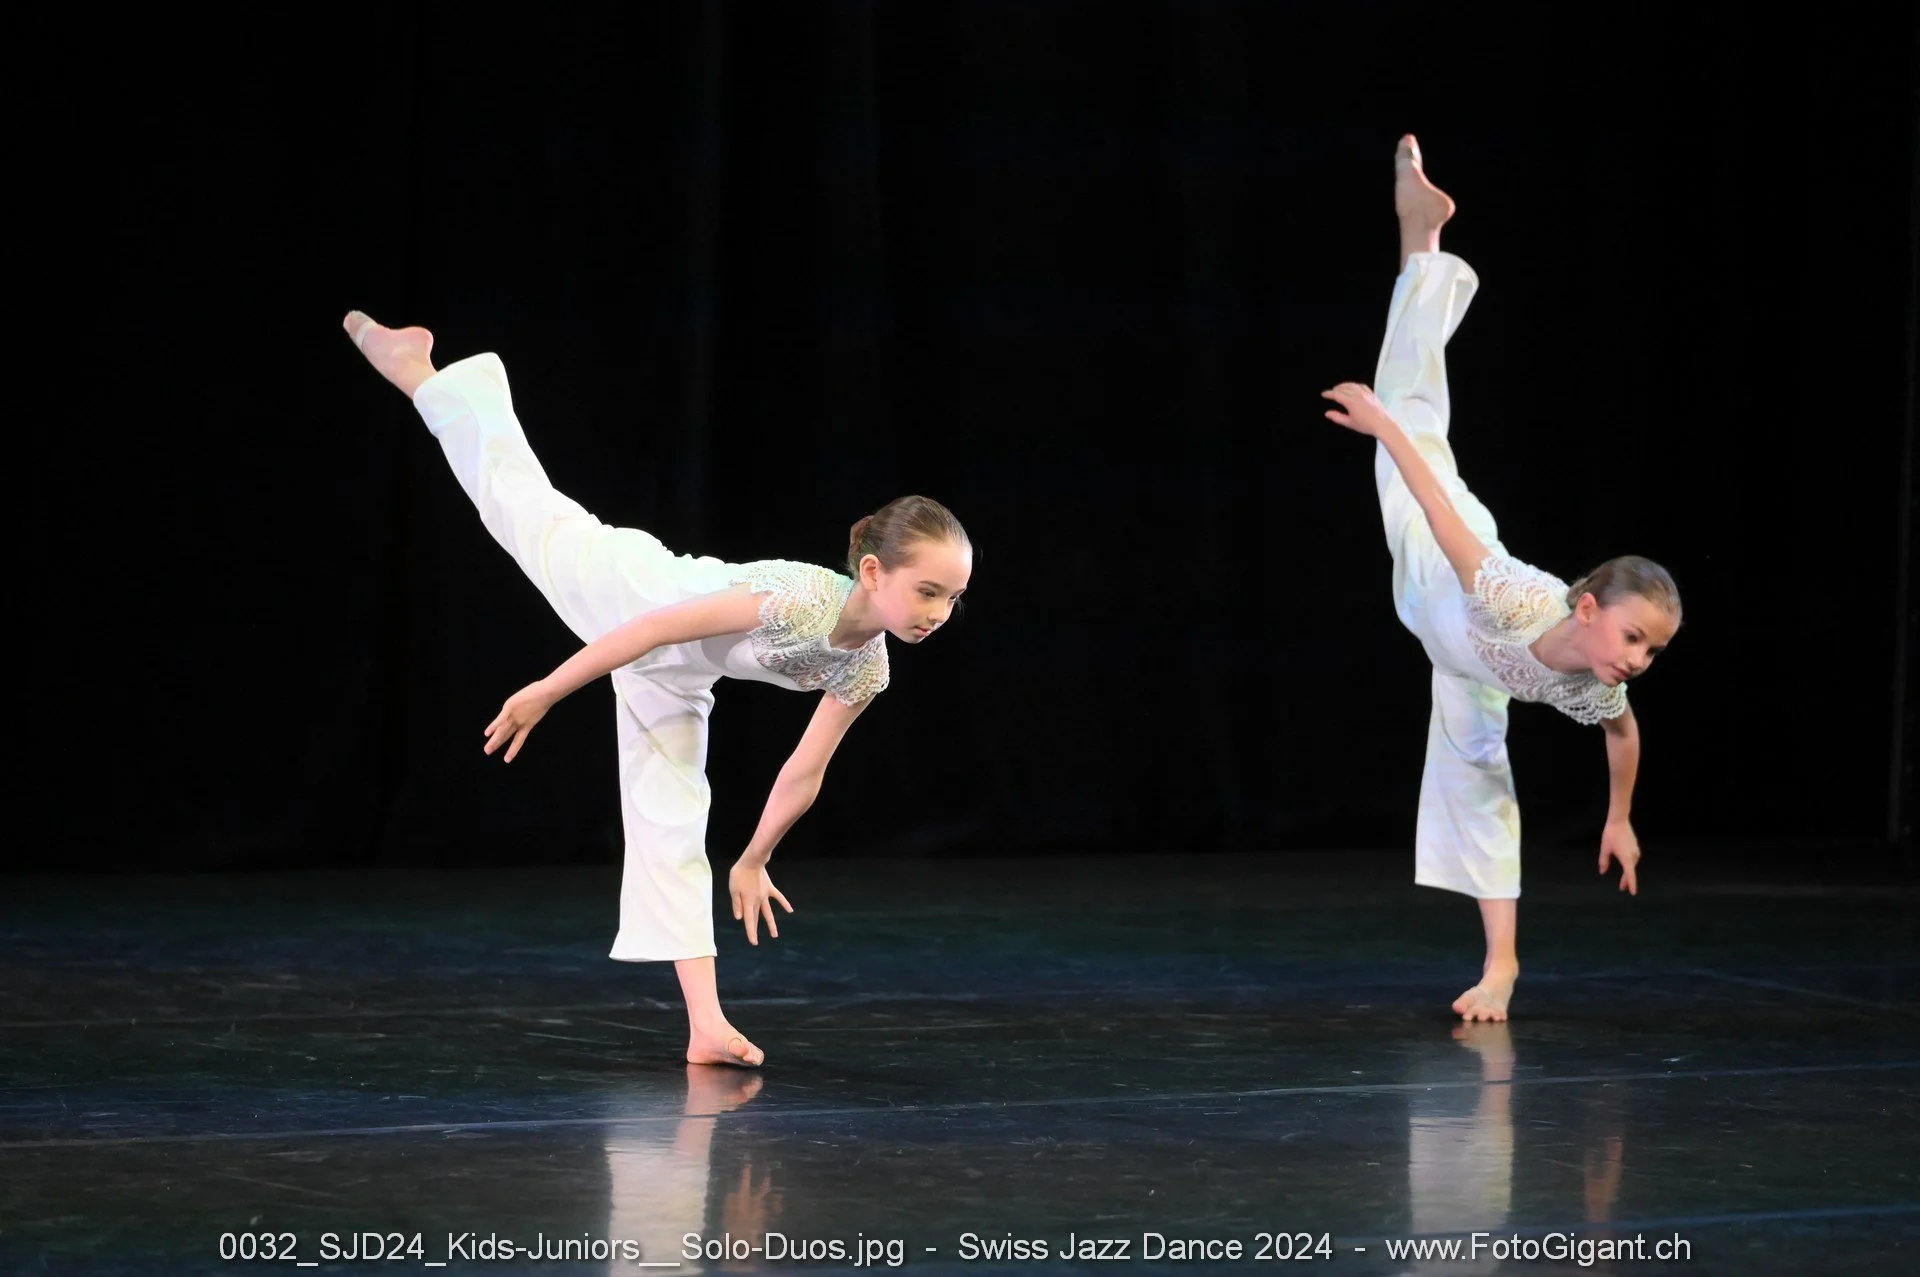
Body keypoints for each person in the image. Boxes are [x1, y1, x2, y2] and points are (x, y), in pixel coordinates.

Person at [344, 312, 973, 1065]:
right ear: (873, 571)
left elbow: (803, 771)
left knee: (672, 822)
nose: (939, 613)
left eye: (952, 599)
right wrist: (548, 688)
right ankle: (421, 371)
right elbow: (650, 628)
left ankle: (705, 1025)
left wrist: (754, 857)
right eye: (928, 591)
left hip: (680, 674)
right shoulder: (798, 600)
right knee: (523, 509)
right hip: (638, 594)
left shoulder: (867, 665)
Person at [1320, 136, 1682, 1022]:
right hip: (1442, 564)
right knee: (1409, 412)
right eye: (1634, 636)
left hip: (1466, 667)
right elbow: (1444, 524)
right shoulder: (1519, 596)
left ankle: (1502, 966)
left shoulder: (1598, 687)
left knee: (1481, 785)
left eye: (1653, 651)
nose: (1638, 659)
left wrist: (1619, 816)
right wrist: (1380, 430)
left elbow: (1624, 734)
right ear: (1587, 608)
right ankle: (1423, 238)